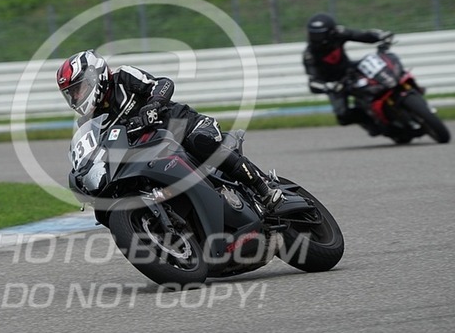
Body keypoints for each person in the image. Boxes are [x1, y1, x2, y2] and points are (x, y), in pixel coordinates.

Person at [56, 49, 284, 211]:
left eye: (78, 89)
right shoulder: (88, 122)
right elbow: (91, 150)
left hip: (184, 126)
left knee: (200, 143)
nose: (76, 97)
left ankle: (263, 187)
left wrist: (153, 105)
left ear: (95, 76)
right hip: (152, 151)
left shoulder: (123, 77)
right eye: (71, 94)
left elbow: (163, 84)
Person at [303, 13, 392, 135]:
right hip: (335, 83)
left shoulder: (339, 33)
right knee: (342, 116)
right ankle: (370, 122)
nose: (316, 39)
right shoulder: (309, 54)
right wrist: (328, 86)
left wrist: (379, 36)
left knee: (377, 67)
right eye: (313, 35)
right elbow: (313, 82)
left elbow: (361, 35)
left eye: (319, 35)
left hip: (350, 69)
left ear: (331, 32)